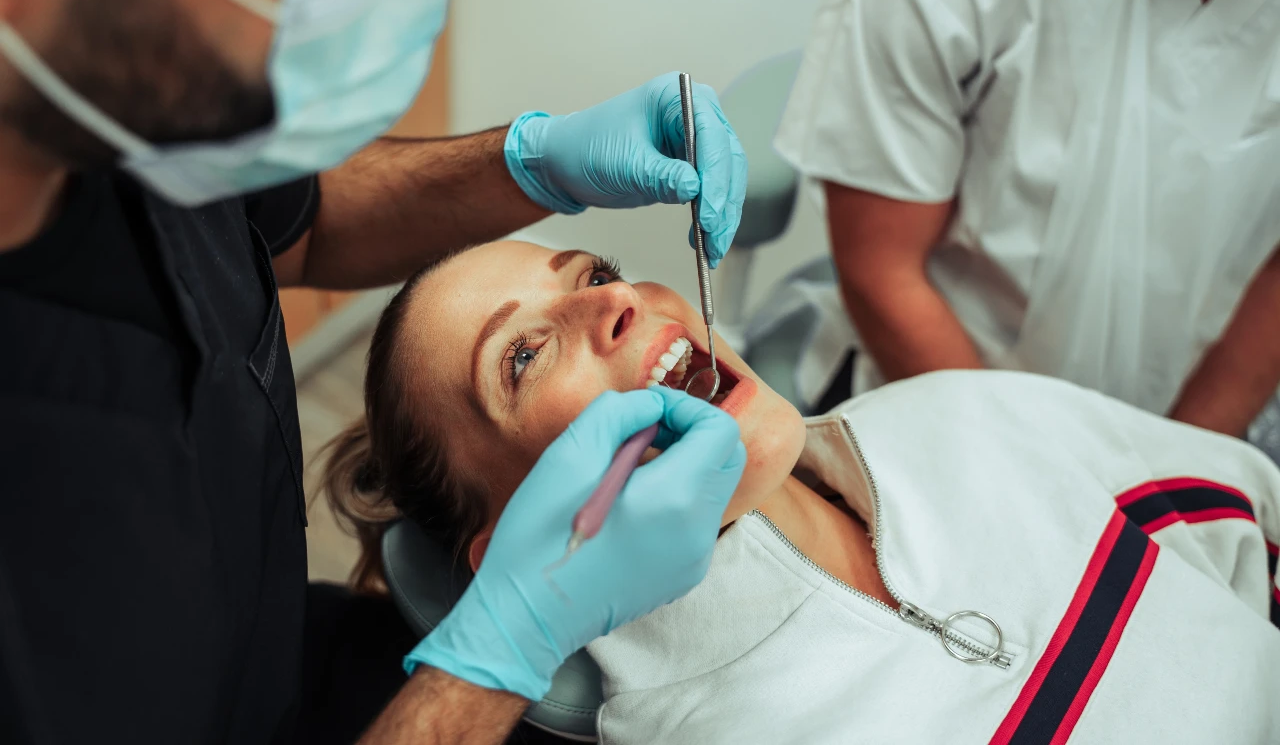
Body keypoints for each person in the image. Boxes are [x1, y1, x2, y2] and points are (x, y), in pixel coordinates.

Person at [0, 0, 750, 743]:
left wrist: (532, 166)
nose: (618, 299)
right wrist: (503, 650)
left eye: (600, 271)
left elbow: (299, 220)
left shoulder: (130, 108)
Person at [325, 239, 1280, 744]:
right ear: (513, 557)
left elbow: (1256, 530)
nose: (614, 299)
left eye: (595, 272)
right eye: (524, 355)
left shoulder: (968, 415)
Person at [771, 0, 1280, 448]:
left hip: (1187, 415)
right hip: (941, 399)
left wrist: (1184, 475)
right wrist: (1036, 493)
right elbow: (882, 270)